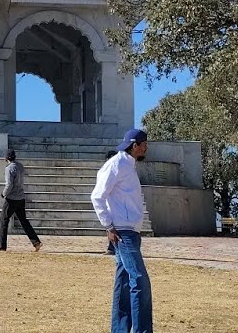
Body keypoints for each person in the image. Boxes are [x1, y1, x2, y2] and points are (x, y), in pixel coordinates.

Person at [92, 128, 152, 333]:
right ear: (135, 146)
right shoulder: (116, 164)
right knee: (140, 281)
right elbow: (97, 196)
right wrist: (108, 225)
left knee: (125, 282)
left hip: (130, 231)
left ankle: (119, 329)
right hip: (123, 232)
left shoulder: (128, 165)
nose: (146, 148)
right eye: (144, 144)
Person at [0, 150, 42, 252]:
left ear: (6, 158)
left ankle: (2, 246)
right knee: (23, 221)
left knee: (3, 221)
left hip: (11, 198)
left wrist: (3, 193)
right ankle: (36, 242)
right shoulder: (20, 166)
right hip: (21, 197)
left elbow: (9, 184)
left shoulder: (9, 168)